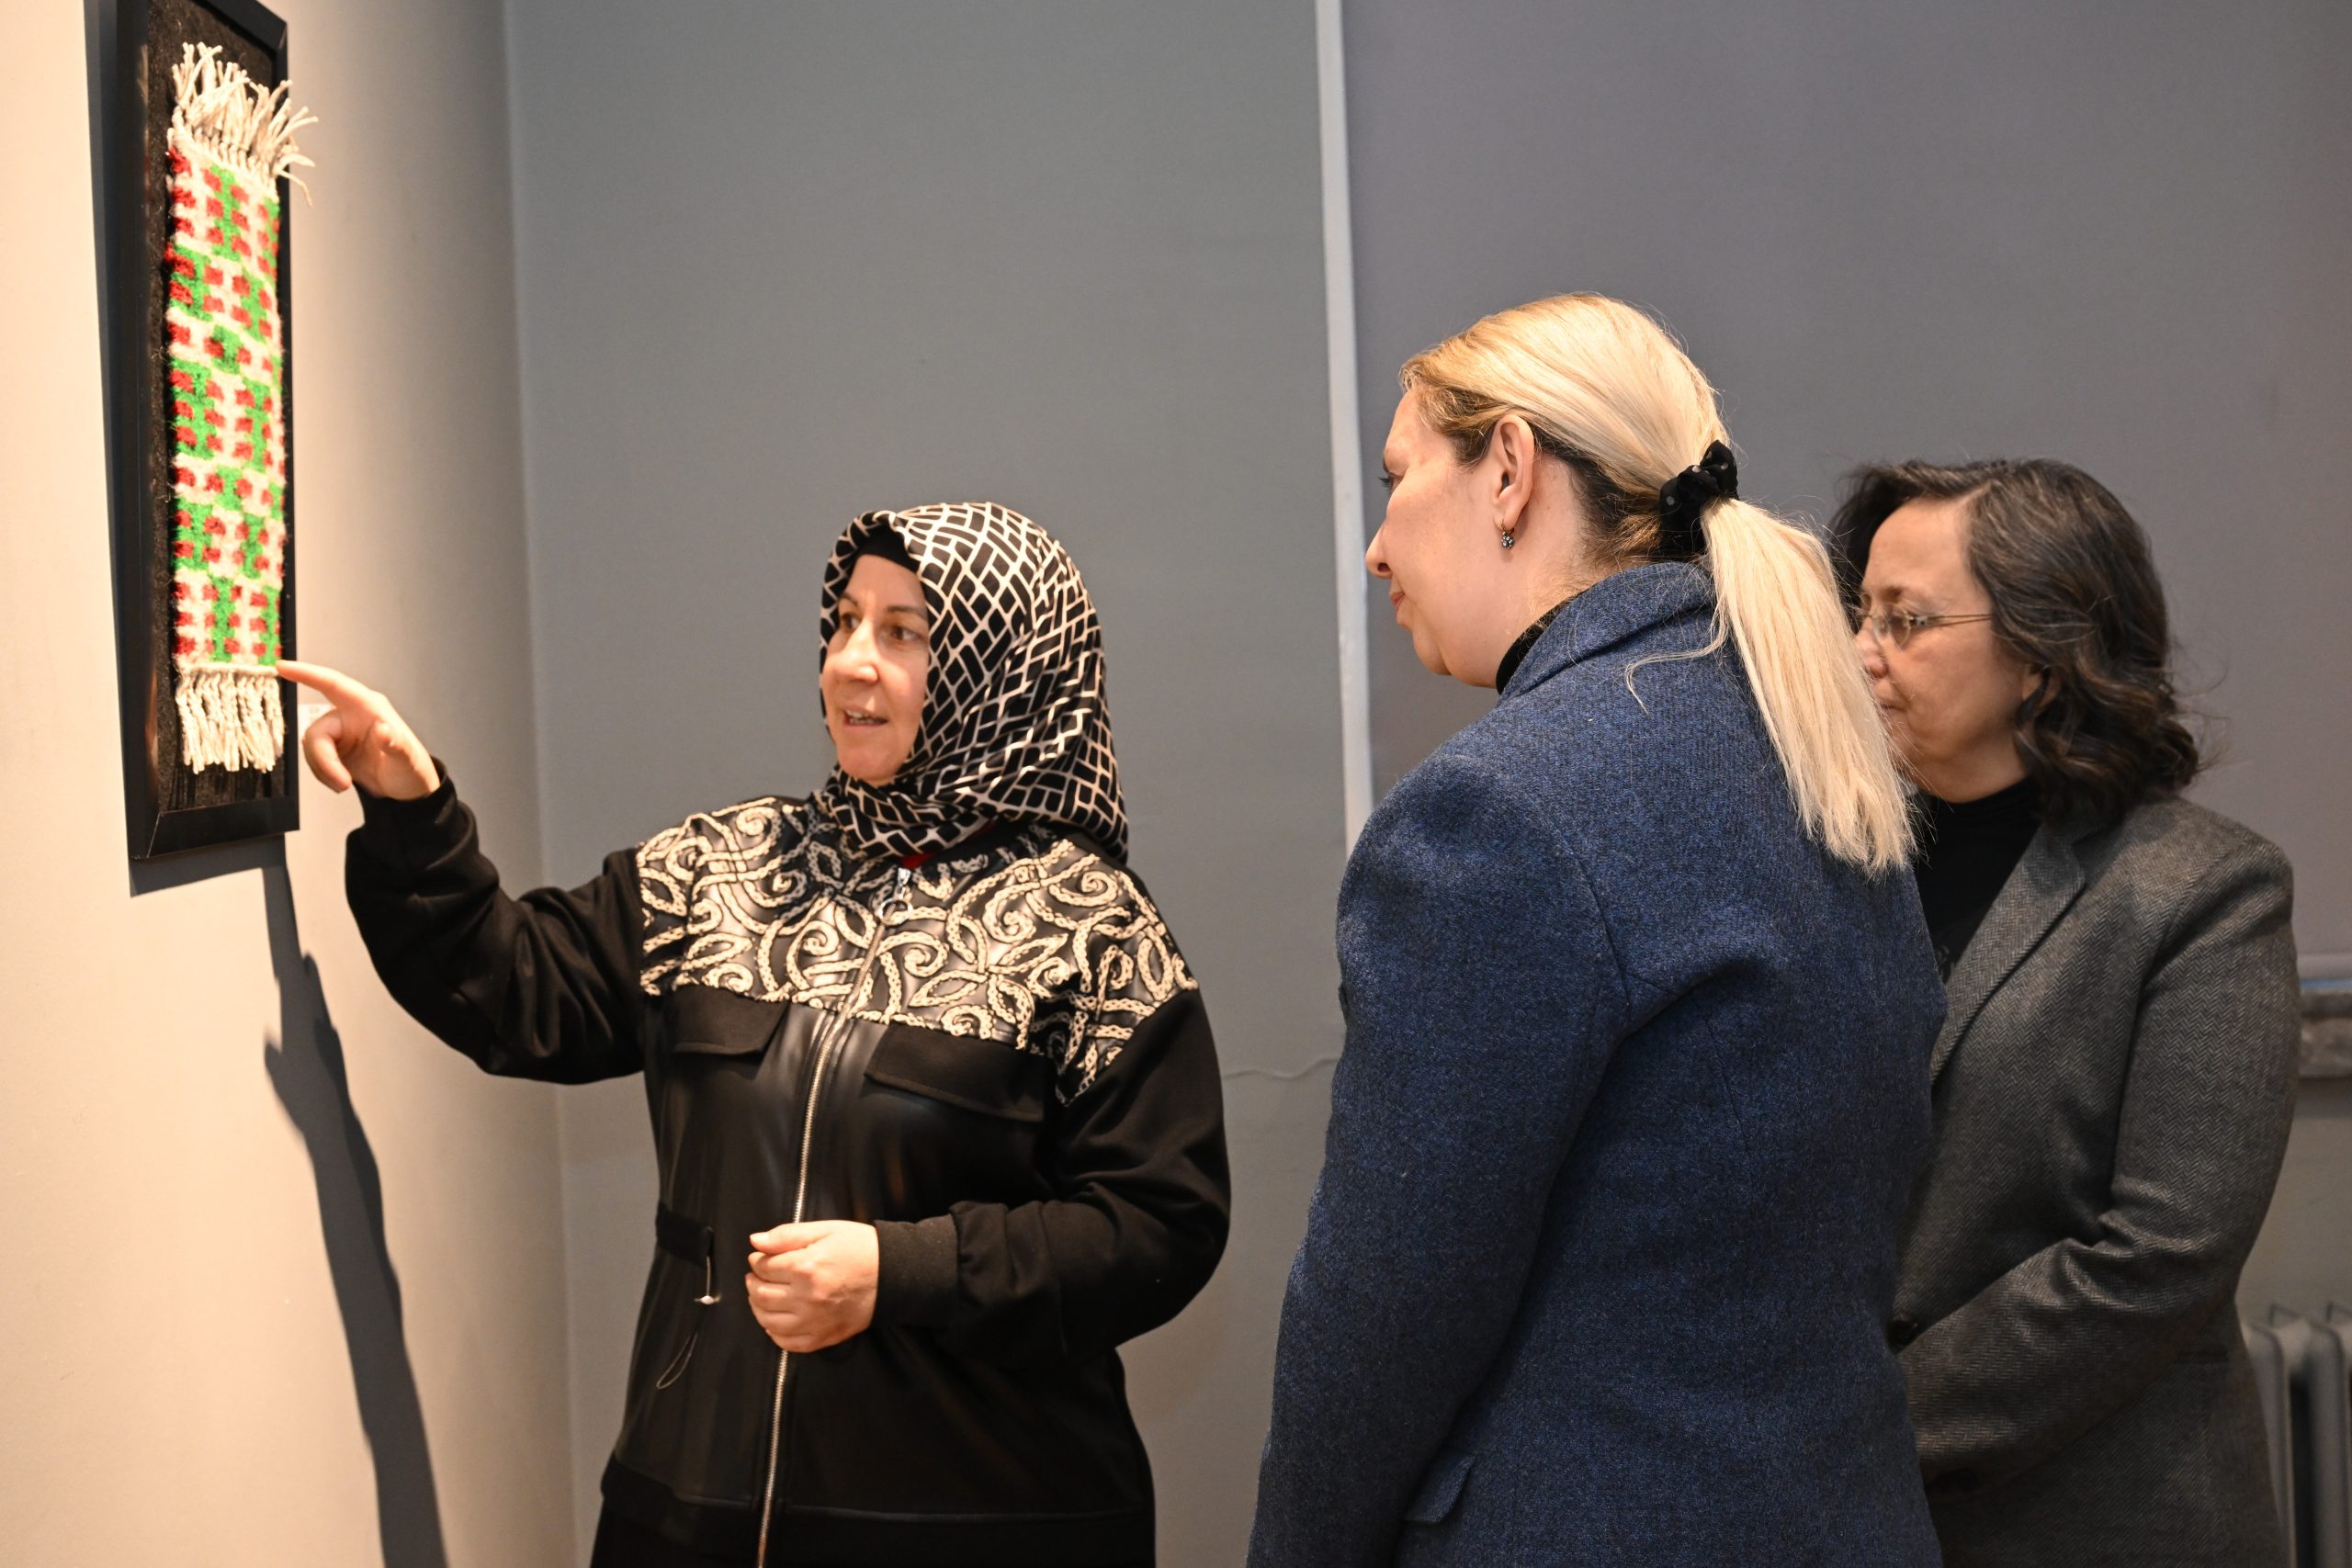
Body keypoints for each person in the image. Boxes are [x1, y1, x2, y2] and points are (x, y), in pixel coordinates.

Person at [285, 502, 1228, 1568]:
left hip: (983, 1525)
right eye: (845, 621)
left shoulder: (1089, 928)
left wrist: (900, 1270)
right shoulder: (723, 870)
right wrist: (410, 805)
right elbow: (512, 989)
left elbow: (1158, 1227)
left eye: (904, 632)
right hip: (695, 1511)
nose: (851, 662)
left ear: (1001, 672)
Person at [1247, 294, 1945, 1567]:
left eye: (1399, 478)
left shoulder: (1495, 811)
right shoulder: (1818, 757)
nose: (1378, 548)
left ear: (1509, 470)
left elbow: (1385, 1312)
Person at [1835, 458, 2300, 1567]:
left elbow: (2160, 1253)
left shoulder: (2204, 889)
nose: (1859, 653)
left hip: (2102, 1516)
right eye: (1861, 614)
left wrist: (1864, 1430)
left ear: (2045, 654)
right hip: (1855, 1521)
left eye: (1906, 621)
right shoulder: (1837, 871)